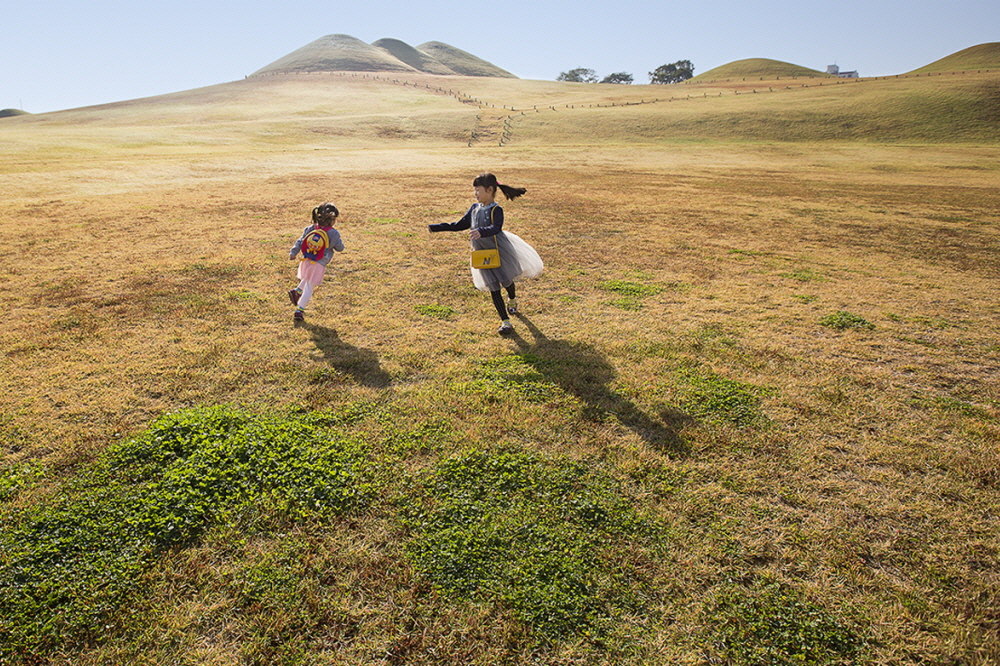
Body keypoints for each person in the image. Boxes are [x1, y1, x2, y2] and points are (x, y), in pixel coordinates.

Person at [429, 173, 543, 335]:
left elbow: (496, 227)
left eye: (478, 190)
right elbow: (460, 224)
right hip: (482, 254)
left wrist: (481, 231)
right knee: (493, 287)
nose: (475, 194)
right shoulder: (474, 209)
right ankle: (506, 322)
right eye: (474, 190)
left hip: (499, 250)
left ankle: (512, 298)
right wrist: (437, 227)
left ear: (490, 190)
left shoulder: (497, 209)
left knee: (506, 281)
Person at [288, 202, 344, 322]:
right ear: (332, 220)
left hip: (307, 259)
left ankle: (297, 291)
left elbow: (300, 241)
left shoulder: (311, 228)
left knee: (307, 277)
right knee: (309, 287)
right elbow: (340, 248)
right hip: (319, 263)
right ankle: (300, 310)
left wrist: (293, 252)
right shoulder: (333, 233)